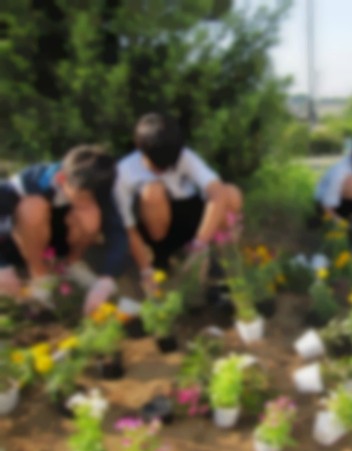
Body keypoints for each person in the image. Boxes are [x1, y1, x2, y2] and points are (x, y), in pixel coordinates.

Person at [114, 113, 243, 291]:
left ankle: (216, 259)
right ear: (139, 147)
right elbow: (128, 228)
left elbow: (217, 193)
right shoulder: (123, 172)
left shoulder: (185, 156)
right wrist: (145, 270)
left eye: (170, 164)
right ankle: (163, 258)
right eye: (157, 165)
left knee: (231, 194)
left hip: (188, 215)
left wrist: (199, 244)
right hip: (157, 228)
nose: (164, 170)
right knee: (152, 190)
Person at [0, 145, 127, 314]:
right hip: (24, 243)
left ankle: (71, 264)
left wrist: (107, 278)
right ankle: (40, 276)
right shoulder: (29, 181)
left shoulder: (97, 184)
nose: (87, 202)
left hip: (61, 241)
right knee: (32, 208)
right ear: (60, 179)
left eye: (93, 198)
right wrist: (2, 266)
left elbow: (117, 231)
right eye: (82, 196)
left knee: (92, 214)